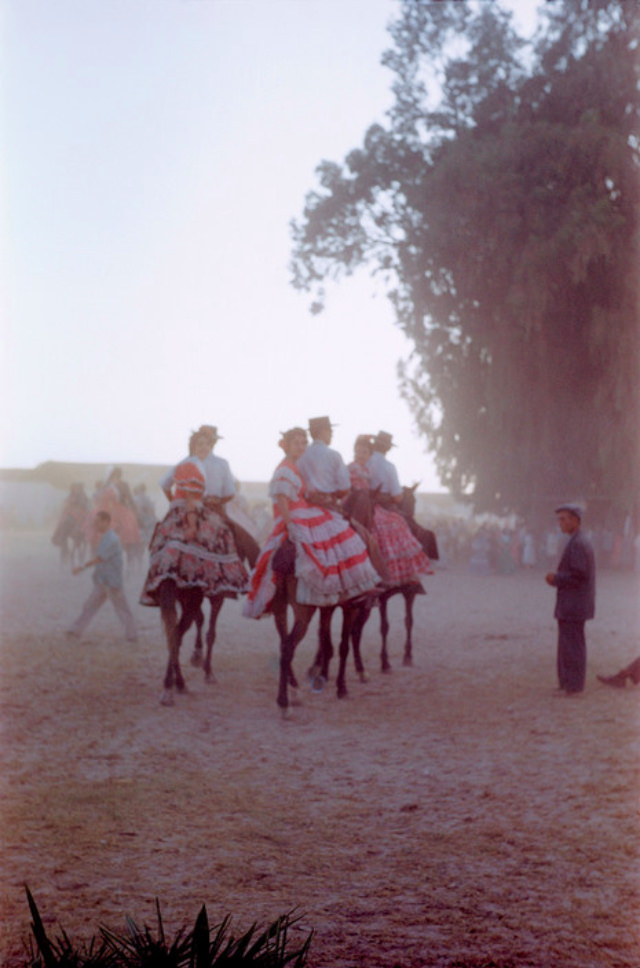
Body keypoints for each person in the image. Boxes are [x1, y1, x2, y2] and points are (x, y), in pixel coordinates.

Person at [243, 427, 380, 618]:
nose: (301, 447)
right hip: (296, 515)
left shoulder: (295, 465)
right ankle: (350, 588)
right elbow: (282, 499)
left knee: (336, 534)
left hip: (303, 509)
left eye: (303, 443)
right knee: (344, 535)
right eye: (296, 443)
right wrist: (290, 524)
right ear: (287, 446)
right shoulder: (286, 468)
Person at [141, 428, 248, 606]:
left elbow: (165, 485)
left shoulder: (186, 462)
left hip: (192, 508)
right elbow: (230, 493)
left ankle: (154, 582)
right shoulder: (217, 463)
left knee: (159, 540)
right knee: (231, 536)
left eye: (208, 442)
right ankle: (227, 580)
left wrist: (174, 503)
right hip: (207, 508)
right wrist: (215, 500)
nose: (206, 446)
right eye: (202, 442)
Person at [360, 431, 434, 586]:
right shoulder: (388, 466)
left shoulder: (365, 462)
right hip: (385, 505)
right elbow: (398, 497)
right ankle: (408, 576)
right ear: (387, 449)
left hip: (364, 504)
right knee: (406, 525)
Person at [545, 503, 596, 695]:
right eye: (559, 519)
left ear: (575, 520)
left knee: (572, 645)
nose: (560, 523)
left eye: (563, 519)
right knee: (569, 643)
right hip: (575, 604)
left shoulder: (578, 543)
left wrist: (556, 578)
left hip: (574, 604)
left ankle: (573, 685)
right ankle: (568, 682)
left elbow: (579, 575)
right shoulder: (579, 541)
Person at [66, 510, 137, 641]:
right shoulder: (108, 537)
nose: (96, 525)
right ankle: (75, 630)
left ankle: (132, 634)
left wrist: (81, 568)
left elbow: (99, 558)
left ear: (106, 522)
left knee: (121, 608)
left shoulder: (110, 538)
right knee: (90, 606)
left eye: (98, 522)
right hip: (104, 581)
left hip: (111, 582)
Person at [296, 415, 350, 509]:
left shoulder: (300, 455)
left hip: (303, 508)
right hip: (329, 509)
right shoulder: (334, 455)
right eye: (330, 431)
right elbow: (345, 488)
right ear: (322, 432)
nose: (332, 434)